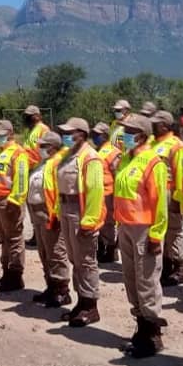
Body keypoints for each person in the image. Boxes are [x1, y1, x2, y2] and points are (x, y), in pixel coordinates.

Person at [115, 114, 170, 357]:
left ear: (141, 135)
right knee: (132, 280)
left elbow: (160, 202)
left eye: (128, 131)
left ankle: (151, 335)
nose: (124, 135)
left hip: (145, 229)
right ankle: (140, 328)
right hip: (125, 226)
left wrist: (157, 235)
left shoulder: (153, 162)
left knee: (147, 281)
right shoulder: (126, 159)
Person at [55, 117, 107, 327]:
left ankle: (90, 305)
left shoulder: (90, 157)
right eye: (64, 132)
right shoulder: (68, 155)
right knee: (74, 258)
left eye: (71, 133)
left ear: (83, 135)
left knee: (85, 260)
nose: (66, 136)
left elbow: (95, 191)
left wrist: (90, 221)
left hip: (81, 211)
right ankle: (80, 301)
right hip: (67, 208)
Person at [0, 119, 30, 291]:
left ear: (11, 134)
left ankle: (16, 275)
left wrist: (15, 200)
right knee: (4, 239)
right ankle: (6, 274)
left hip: (9, 202)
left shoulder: (18, 152)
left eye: (2, 135)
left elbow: (21, 179)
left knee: (14, 238)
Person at [27, 131, 72, 306]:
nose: (39, 149)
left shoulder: (57, 164)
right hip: (37, 212)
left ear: (53, 147)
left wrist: (56, 214)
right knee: (44, 252)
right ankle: (50, 286)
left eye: (43, 146)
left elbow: (59, 192)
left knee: (56, 252)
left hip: (49, 212)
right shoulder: (42, 163)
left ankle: (61, 290)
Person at [151, 110, 183, 286]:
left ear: (165, 125)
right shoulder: (153, 144)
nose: (152, 126)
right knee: (161, 231)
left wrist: (178, 198)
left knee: (174, 231)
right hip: (155, 194)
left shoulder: (177, 146)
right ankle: (166, 266)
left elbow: (181, 174)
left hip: (170, 194)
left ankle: (178, 268)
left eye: (156, 123)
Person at [92, 122, 122, 263]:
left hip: (109, 192)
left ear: (105, 135)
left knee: (108, 222)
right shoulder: (98, 150)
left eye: (97, 134)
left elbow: (117, 173)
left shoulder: (113, 151)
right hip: (99, 192)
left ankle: (110, 250)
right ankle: (102, 248)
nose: (94, 137)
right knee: (100, 221)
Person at [22, 105, 51, 169]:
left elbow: (47, 150)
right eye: (26, 116)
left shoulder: (44, 129)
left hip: (38, 166)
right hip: (27, 164)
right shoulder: (27, 130)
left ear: (37, 116)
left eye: (30, 116)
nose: (27, 118)